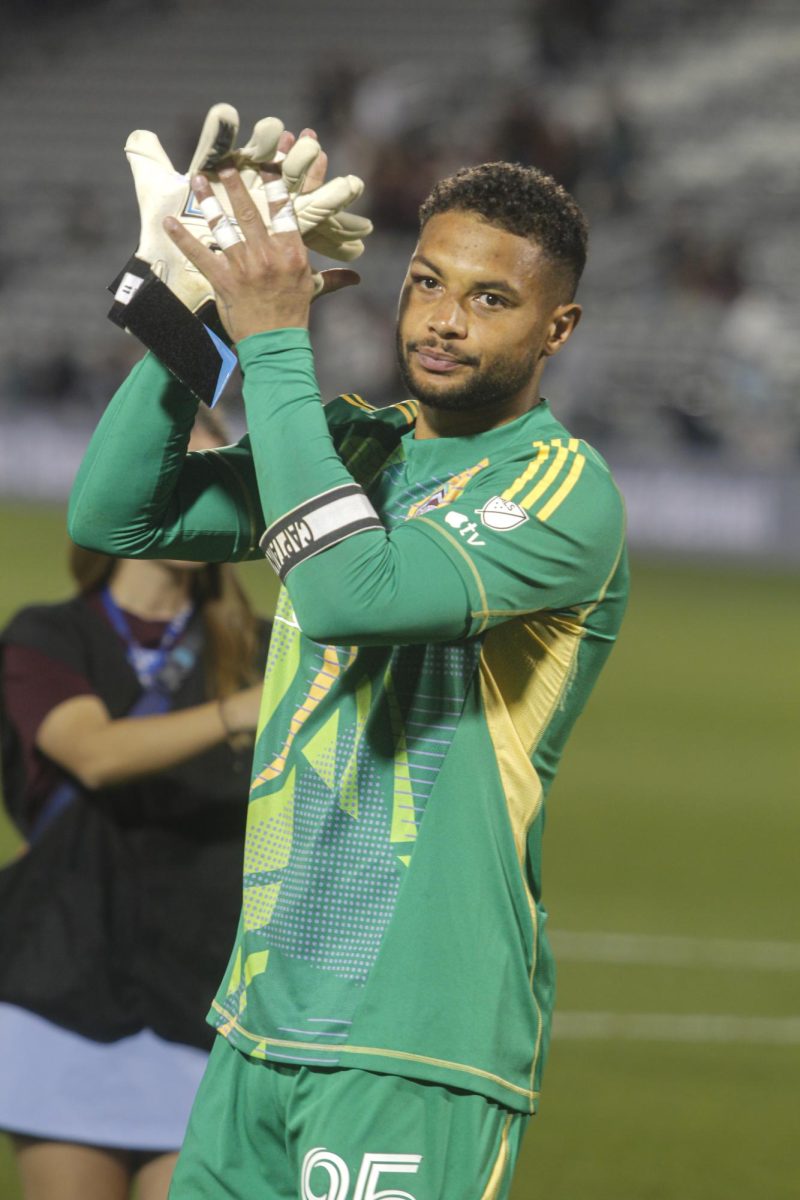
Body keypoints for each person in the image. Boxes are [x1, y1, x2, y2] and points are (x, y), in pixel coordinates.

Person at [67, 157, 629, 1200]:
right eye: (426, 282)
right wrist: (192, 319)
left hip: (416, 1033)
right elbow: (116, 520)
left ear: (557, 329)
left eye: (489, 298)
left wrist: (275, 339)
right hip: (260, 1016)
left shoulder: (562, 494)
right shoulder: (359, 446)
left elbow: (343, 593)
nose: (443, 319)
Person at [0, 405, 270, 1200]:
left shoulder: (265, 646)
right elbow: (95, 752)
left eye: (214, 473)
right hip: (61, 989)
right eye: (174, 465)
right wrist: (244, 709)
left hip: (210, 1002)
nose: (195, 489)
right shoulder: (47, 636)